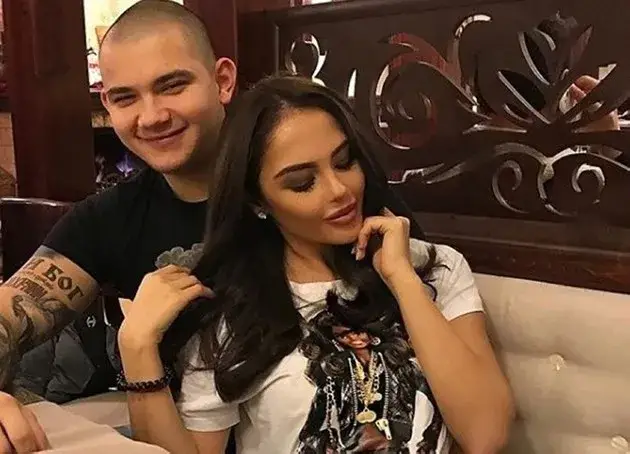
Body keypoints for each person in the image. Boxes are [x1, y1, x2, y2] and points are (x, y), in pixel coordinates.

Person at [116, 75, 515, 454]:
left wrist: (402, 279)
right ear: (257, 202)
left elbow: (486, 435)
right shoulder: (233, 308)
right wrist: (137, 347)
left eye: (344, 162)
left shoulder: (435, 268)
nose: (340, 190)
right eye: (302, 183)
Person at [0, 0, 235, 451]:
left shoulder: (305, 182)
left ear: (222, 80)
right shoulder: (110, 216)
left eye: (172, 86)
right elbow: (10, 314)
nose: (152, 116)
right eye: (127, 97)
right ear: (107, 103)